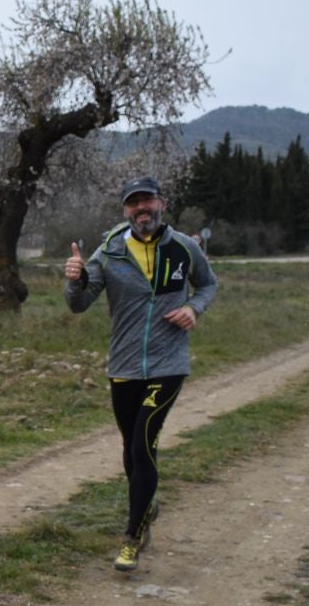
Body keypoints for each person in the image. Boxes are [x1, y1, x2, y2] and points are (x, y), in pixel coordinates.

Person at [63, 175, 219, 574]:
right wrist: (75, 278)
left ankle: (132, 537)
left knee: (143, 444)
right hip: (125, 366)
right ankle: (147, 506)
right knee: (131, 448)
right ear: (125, 210)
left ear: (161, 203)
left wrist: (194, 309)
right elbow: (79, 303)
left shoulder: (184, 247)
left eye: (147, 200)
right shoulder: (111, 251)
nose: (141, 209)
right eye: (133, 203)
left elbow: (208, 285)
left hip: (168, 364)